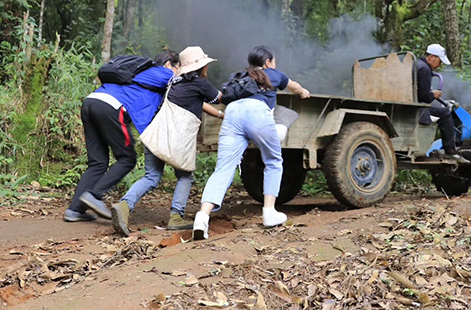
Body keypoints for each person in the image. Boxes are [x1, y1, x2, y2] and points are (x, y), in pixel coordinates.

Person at [193, 45, 310, 239]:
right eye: (274, 61)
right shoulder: (274, 74)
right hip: (257, 113)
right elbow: (294, 86)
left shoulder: (240, 76)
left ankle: (202, 216)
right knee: (273, 161)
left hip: (232, 113)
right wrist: (303, 92)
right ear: (268, 62)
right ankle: (269, 212)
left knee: (223, 168)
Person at [111, 46, 224, 236]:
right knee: (185, 176)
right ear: (200, 67)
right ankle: (176, 217)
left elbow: (200, 104)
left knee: (151, 177)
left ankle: (123, 206)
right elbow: (220, 97)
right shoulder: (199, 84)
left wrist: (221, 115)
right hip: (175, 141)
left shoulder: (174, 81)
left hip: (157, 135)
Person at [64, 50, 177, 222]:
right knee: (127, 158)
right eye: (178, 67)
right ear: (169, 64)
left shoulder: (139, 72)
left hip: (91, 101)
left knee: (98, 162)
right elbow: (182, 82)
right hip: (112, 107)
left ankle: (75, 210)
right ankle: (94, 195)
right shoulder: (162, 72)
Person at [416, 43, 462, 160]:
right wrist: (433, 94)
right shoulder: (425, 69)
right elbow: (424, 96)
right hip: (417, 109)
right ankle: (450, 151)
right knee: (446, 113)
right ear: (431, 57)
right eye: (439, 61)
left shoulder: (416, 64)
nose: (439, 65)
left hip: (414, 105)